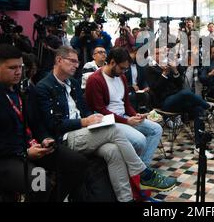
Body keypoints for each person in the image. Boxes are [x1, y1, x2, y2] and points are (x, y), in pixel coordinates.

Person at [35, 46, 177, 201]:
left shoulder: (73, 83)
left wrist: (94, 120)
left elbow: (86, 109)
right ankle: (143, 174)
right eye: (73, 61)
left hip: (85, 130)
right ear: (59, 60)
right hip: (66, 136)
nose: (77, 65)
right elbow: (52, 124)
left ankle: (126, 199)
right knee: (114, 130)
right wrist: (86, 121)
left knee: (113, 151)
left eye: (78, 61)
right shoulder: (44, 87)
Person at [0, 44, 88, 202]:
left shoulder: (24, 88)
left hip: (31, 146)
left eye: (20, 66)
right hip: (0, 157)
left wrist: (44, 138)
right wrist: (24, 152)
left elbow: (36, 122)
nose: (18, 72)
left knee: (78, 163)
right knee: (40, 181)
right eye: (12, 68)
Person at [144, 47, 214, 159]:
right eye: (157, 53)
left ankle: (199, 147)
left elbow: (180, 84)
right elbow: (156, 89)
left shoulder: (171, 65)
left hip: (178, 99)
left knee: (197, 109)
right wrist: (164, 74)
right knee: (186, 93)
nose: (160, 55)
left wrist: (175, 71)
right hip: (164, 102)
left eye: (162, 52)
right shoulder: (150, 69)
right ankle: (211, 108)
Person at [85, 48, 162, 166]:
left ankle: (141, 169)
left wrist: (135, 115)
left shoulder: (122, 77)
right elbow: (100, 110)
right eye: (122, 68)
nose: (124, 71)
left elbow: (126, 103)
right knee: (139, 140)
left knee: (156, 129)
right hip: (108, 122)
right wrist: (126, 121)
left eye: (126, 69)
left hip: (123, 117)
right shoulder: (95, 79)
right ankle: (139, 170)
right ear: (112, 62)